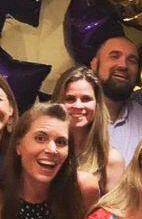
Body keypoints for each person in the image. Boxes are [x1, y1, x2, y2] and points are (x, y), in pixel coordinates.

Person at [52, 65, 125, 194]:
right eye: (70, 99)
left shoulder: (111, 159)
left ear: (97, 104)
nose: (78, 106)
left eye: (86, 99)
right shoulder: (46, 151)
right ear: (58, 103)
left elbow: (114, 207)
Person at [91, 36, 142, 166]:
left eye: (132, 61)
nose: (123, 65)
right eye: (114, 56)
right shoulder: (77, 111)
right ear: (95, 64)